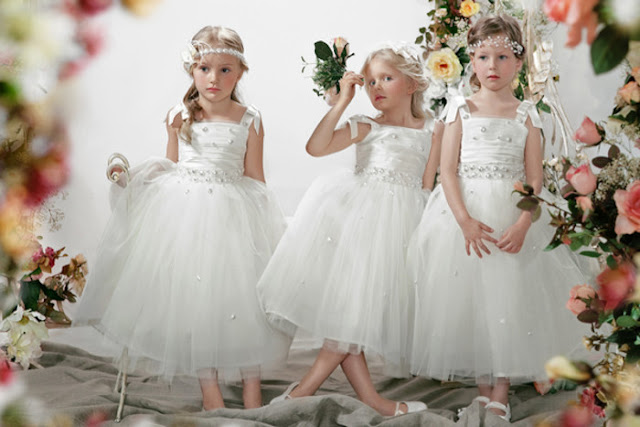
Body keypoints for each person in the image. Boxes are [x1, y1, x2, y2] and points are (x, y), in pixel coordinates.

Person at [74, 25, 290, 410]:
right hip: (188, 214)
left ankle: (252, 388)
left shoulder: (250, 118)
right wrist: (134, 180)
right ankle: (211, 393)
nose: (214, 78)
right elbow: (171, 165)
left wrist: (266, 225)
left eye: (226, 70)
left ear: (240, 73)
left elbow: (255, 177)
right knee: (198, 302)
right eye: (205, 68)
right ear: (192, 70)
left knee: (246, 305)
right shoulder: (179, 114)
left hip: (233, 217)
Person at [408, 15, 591, 422]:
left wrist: (524, 223)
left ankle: (501, 392)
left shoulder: (528, 113)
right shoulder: (459, 108)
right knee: (472, 302)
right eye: (483, 56)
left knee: (509, 300)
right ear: (470, 60)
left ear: (519, 63)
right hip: (465, 215)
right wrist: (464, 221)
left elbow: (535, 178)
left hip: (510, 213)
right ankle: (483, 389)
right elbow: (448, 170)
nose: (493, 66)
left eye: (503, 57)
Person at [257, 42, 439, 416]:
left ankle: (368, 399)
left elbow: (427, 185)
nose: (376, 87)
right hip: (361, 222)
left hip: (402, 225)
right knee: (350, 318)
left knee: (353, 319)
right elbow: (316, 147)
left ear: (412, 84)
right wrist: (341, 102)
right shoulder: (366, 125)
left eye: (386, 78)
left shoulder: (433, 129)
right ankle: (305, 393)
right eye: (371, 81)